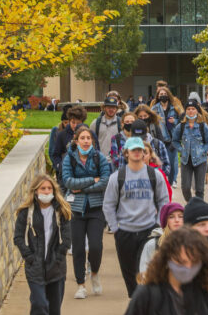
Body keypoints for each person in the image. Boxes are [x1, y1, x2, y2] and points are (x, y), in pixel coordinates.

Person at [13, 173, 72, 315]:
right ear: (35, 191)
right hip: (35, 266)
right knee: (39, 303)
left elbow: (67, 237)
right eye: (43, 189)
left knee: (54, 306)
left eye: (49, 189)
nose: (46, 192)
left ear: (54, 191)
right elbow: (18, 237)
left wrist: (60, 254)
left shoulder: (61, 210)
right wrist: (28, 256)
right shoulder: (26, 212)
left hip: (56, 266)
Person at [103, 137, 171, 297]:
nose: (137, 153)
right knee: (130, 275)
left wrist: (158, 224)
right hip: (125, 232)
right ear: (126, 153)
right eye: (133, 150)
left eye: (139, 150)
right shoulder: (117, 177)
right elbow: (108, 205)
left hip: (149, 231)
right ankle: (136, 303)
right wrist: (115, 228)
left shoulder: (155, 175)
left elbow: (164, 201)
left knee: (149, 272)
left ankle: (148, 305)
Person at [61, 126, 112, 299]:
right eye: (82, 138)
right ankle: (81, 284)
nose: (85, 141)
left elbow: (105, 181)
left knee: (96, 246)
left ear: (92, 141)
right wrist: (92, 180)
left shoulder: (100, 158)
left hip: (96, 209)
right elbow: (68, 181)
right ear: (76, 141)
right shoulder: (70, 158)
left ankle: (95, 272)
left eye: (88, 138)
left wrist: (82, 188)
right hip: (76, 210)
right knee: (78, 249)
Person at [172, 99, 208, 201]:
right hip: (186, 161)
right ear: (185, 111)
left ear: (197, 111)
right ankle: (191, 204)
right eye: (188, 109)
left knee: (199, 189)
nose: (191, 111)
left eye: (193, 109)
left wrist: (202, 150)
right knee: (185, 187)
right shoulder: (181, 126)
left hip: (200, 161)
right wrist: (181, 150)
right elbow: (175, 141)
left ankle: (198, 207)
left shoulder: (202, 126)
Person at [138, 202, 184, 282]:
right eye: (171, 217)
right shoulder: (153, 245)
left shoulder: (192, 244)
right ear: (165, 221)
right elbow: (144, 275)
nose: (177, 220)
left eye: (180, 216)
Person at [152, 86, 184, 185]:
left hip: (173, 139)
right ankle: (162, 180)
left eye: (165, 94)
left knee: (171, 160)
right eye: (161, 94)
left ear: (168, 95)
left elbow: (182, 121)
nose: (163, 96)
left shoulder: (174, 107)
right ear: (158, 96)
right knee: (160, 161)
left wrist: (175, 121)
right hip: (160, 138)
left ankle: (172, 180)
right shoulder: (155, 108)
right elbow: (151, 122)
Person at [51, 106, 88, 178]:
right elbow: (55, 155)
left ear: (82, 122)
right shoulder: (62, 135)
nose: (75, 125)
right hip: (66, 174)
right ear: (69, 121)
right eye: (73, 122)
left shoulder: (88, 134)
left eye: (78, 123)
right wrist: (60, 166)